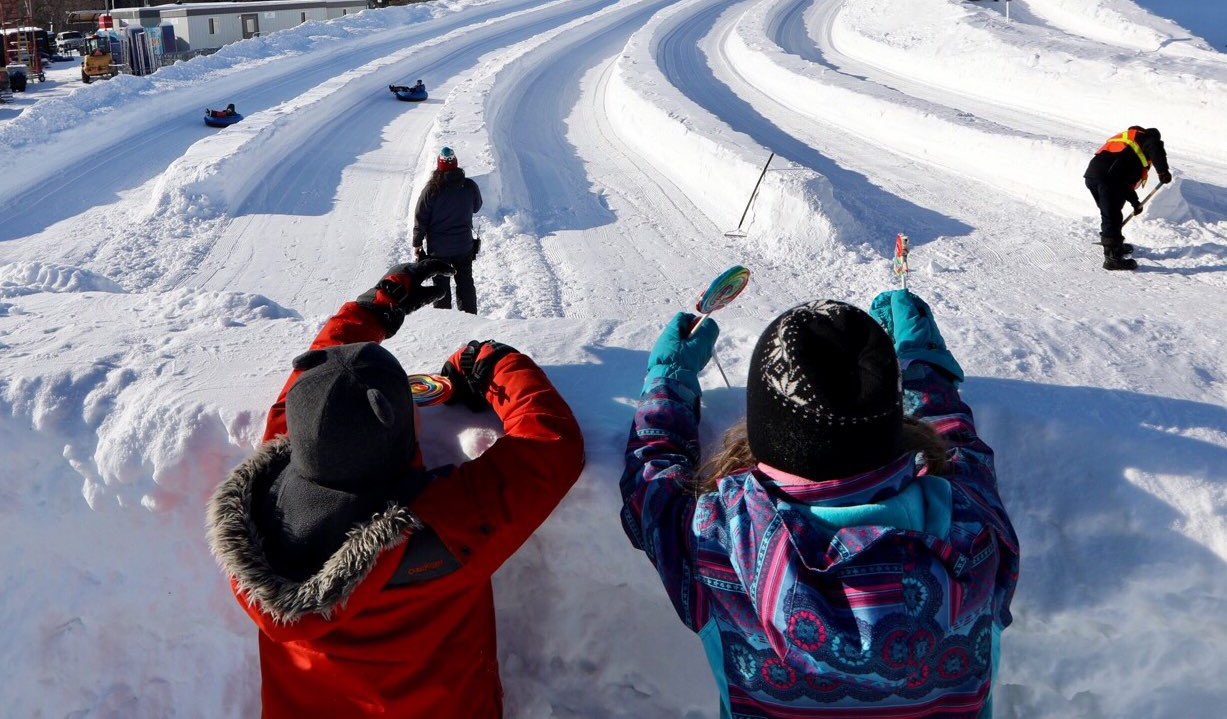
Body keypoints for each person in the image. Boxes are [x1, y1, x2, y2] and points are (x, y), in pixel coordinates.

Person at [206, 259, 585, 718]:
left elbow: (315, 388)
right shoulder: (446, 524)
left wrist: (376, 309)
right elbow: (550, 448)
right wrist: (491, 362)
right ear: (405, 428)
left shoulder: (264, 496)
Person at [621, 292, 1019, 717]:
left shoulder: (715, 543)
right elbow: (959, 444)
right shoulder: (973, 532)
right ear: (892, 425)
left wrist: (670, 377)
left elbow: (650, 475)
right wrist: (922, 364)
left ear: (762, 429)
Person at [1083, 126, 1172, 270]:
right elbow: (1155, 147)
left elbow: (1125, 183)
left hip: (1094, 176)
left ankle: (1114, 245)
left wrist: (1135, 203)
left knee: (1112, 211)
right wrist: (1163, 172)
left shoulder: (1128, 145)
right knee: (1111, 215)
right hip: (1108, 178)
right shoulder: (1147, 139)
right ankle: (1112, 259)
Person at [413, 146, 483, 314]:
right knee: (465, 282)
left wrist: (417, 243)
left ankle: (445, 322)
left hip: (438, 250)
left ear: (439, 166)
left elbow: (420, 217)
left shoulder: (432, 189)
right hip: (464, 245)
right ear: (456, 164)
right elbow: (477, 207)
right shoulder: (469, 186)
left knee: (440, 287)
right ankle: (470, 319)